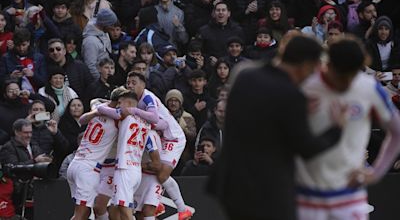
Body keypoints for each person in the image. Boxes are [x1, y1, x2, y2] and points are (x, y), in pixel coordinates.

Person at [209, 35, 346, 220]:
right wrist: (336, 129)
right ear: (305, 65)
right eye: (313, 69)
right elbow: (307, 148)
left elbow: (257, 117)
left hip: (231, 185)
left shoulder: (244, 75)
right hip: (267, 192)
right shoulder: (291, 96)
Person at [296, 37, 400, 220]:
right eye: (341, 76)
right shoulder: (305, 87)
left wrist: (376, 173)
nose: (347, 82)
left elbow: (397, 132)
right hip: (307, 196)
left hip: (350, 196)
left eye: (352, 75)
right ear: (327, 64)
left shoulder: (369, 88)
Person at [125, 72, 193, 219]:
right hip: (159, 137)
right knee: (152, 172)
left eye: (133, 82)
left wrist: (135, 112)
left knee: (161, 173)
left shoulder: (147, 97)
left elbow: (159, 121)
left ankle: (182, 209)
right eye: (128, 82)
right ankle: (156, 203)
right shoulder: (132, 99)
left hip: (173, 138)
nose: (130, 85)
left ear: (143, 85)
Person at [66, 88, 122, 220]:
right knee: (80, 214)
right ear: (120, 102)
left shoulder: (98, 107)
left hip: (75, 164)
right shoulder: (118, 120)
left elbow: (94, 101)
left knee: (84, 213)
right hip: (88, 169)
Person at [111, 90, 161, 220]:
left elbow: (98, 105)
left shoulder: (125, 116)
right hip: (135, 170)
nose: (117, 106)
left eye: (120, 103)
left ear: (128, 104)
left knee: (124, 209)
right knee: (115, 208)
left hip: (124, 169)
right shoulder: (146, 123)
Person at [0, 119, 52, 219]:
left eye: (30, 132)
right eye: (25, 132)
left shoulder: (34, 145)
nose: (29, 135)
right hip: (19, 193)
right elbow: (12, 168)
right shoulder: (8, 147)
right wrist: (35, 161)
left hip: (38, 190)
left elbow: (41, 160)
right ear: (16, 132)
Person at [26, 100, 70, 176]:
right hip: (29, 167)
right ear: (30, 112)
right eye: (35, 110)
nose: (38, 112)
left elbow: (64, 148)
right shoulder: (23, 128)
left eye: (41, 110)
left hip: (48, 168)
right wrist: (26, 124)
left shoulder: (50, 127)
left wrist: (56, 133)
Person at [0, 28, 47, 93]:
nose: (21, 48)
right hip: (14, 97)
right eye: (18, 45)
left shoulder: (39, 58)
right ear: (14, 43)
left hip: (35, 96)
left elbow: (44, 82)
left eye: (23, 45)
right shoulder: (5, 58)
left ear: (28, 42)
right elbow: (1, 80)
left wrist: (33, 75)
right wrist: (11, 77)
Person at [81, 8, 117, 79]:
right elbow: (90, 66)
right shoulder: (90, 42)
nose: (113, 28)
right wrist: (101, 81)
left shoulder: (104, 33)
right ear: (104, 24)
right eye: (111, 25)